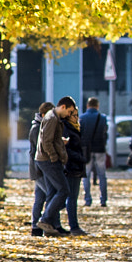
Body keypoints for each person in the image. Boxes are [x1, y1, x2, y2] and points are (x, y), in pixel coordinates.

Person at [34, 97, 76, 236]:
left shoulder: (53, 117)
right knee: (64, 190)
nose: (69, 115)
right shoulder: (52, 118)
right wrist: (54, 157)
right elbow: (46, 141)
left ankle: (49, 226)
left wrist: (59, 142)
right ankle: (45, 220)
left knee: (52, 193)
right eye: (69, 111)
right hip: (48, 160)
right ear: (63, 107)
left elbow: (50, 139)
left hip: (45, 159)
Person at [59, 99, 89, 234]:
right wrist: (80, 158)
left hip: (77, 165)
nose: (77, 118)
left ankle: (72, 224)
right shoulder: (67, 128)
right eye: (74, 115)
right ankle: (73, 226)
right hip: (71, 166)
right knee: (70, 197)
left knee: (72, 196)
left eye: (77, 115)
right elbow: (67, 148)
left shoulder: (75, 128)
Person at [28, 101, 54, 227]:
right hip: (39, 168)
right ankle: (45, 221)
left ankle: (35, 225)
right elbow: (37, 151)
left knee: (40, 197)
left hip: (39, 168)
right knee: (51, 194)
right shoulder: (38, 128)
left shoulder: (39, 126)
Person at [81, 96, 110, 208]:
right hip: (99, 148)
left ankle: (87, 199)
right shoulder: (102, 118)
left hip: (86, 150)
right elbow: (105, 133)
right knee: (102, 174)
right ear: (97, 106)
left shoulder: (82, 118)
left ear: (87, 106)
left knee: (86, 175)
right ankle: (103, 200)